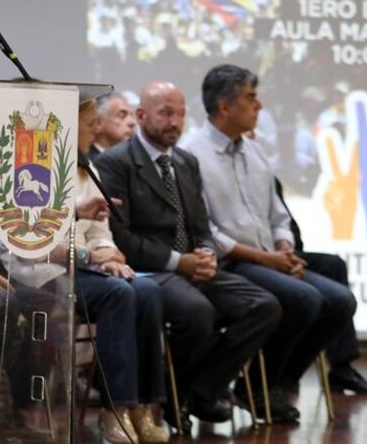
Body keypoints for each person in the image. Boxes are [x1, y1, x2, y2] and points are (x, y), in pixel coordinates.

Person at [95, 81, 281, 429]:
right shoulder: (116, 163)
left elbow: (200, 227)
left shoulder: (185, 161)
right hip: (149, 269)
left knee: (263, 306)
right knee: (197, 313)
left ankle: (197, 390)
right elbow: (123, 237)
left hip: (192, 266)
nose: (175, 122)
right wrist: (179, 262)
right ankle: (170, 401)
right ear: (142, 115)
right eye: (166, 113)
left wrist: (207, 254)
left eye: (180, 114)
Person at [180, 64, 357, 423]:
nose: (258, 106)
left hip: (266, 257)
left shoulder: (255, 151)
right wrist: (266, 259)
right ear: (225, 107)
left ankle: (276, 382)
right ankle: (252, 388)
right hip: (231, 261)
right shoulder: (192, 154)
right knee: (305, 299)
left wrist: (284, 248)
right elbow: (206, 230)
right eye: (250, 98)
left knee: (340, 301)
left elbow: (279, 213)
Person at [0, 101, 169, 443]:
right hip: (42, 273)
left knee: (147, 290)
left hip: (85, 267)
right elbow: (28, 242)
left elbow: (100, 233)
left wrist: (111, 256)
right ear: (68, 127)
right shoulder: (28, 167)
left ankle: (144, 408)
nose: (97, 129)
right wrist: (92, 255)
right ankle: (114, 410)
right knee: (118, 294)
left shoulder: (89, 171)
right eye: (90, 123)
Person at [276, 178, 367, 394]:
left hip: (281, 250)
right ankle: (281, 375)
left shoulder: (263, 170)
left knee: (333, 266)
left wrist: (288, 252)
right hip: (252, 254)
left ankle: (340, 367)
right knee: (309, 297)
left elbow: (288, 227)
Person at [91, 92, 136, 157]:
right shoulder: (84, 163)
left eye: (131, 115)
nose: (132, 123)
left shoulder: (133, 160)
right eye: (122, 115)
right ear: (99, 122)